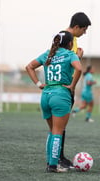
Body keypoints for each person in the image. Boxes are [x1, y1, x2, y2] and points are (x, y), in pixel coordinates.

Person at [26, 31, 82, 173]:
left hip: (46, 95)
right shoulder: (70, 54)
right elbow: (79, 68)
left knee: (52, 131)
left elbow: (29, 67)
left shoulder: (48, 54)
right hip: (61, 95)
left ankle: (50, 162)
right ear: (70, 44)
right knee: (58, 131)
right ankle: (52, 166)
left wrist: (39, 84)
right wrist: (72, 86)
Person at [58, 12, 91, 169]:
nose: (84, 33)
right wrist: (78, 57)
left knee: (61, 126)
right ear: (76, 27)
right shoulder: (64, 38)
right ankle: (57, 158)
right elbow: (61, 60)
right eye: (84, 30)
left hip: (66, 86)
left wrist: (77, 56)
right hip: (63, 86)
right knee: (58, 126)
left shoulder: (72, 39)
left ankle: (59, 156)